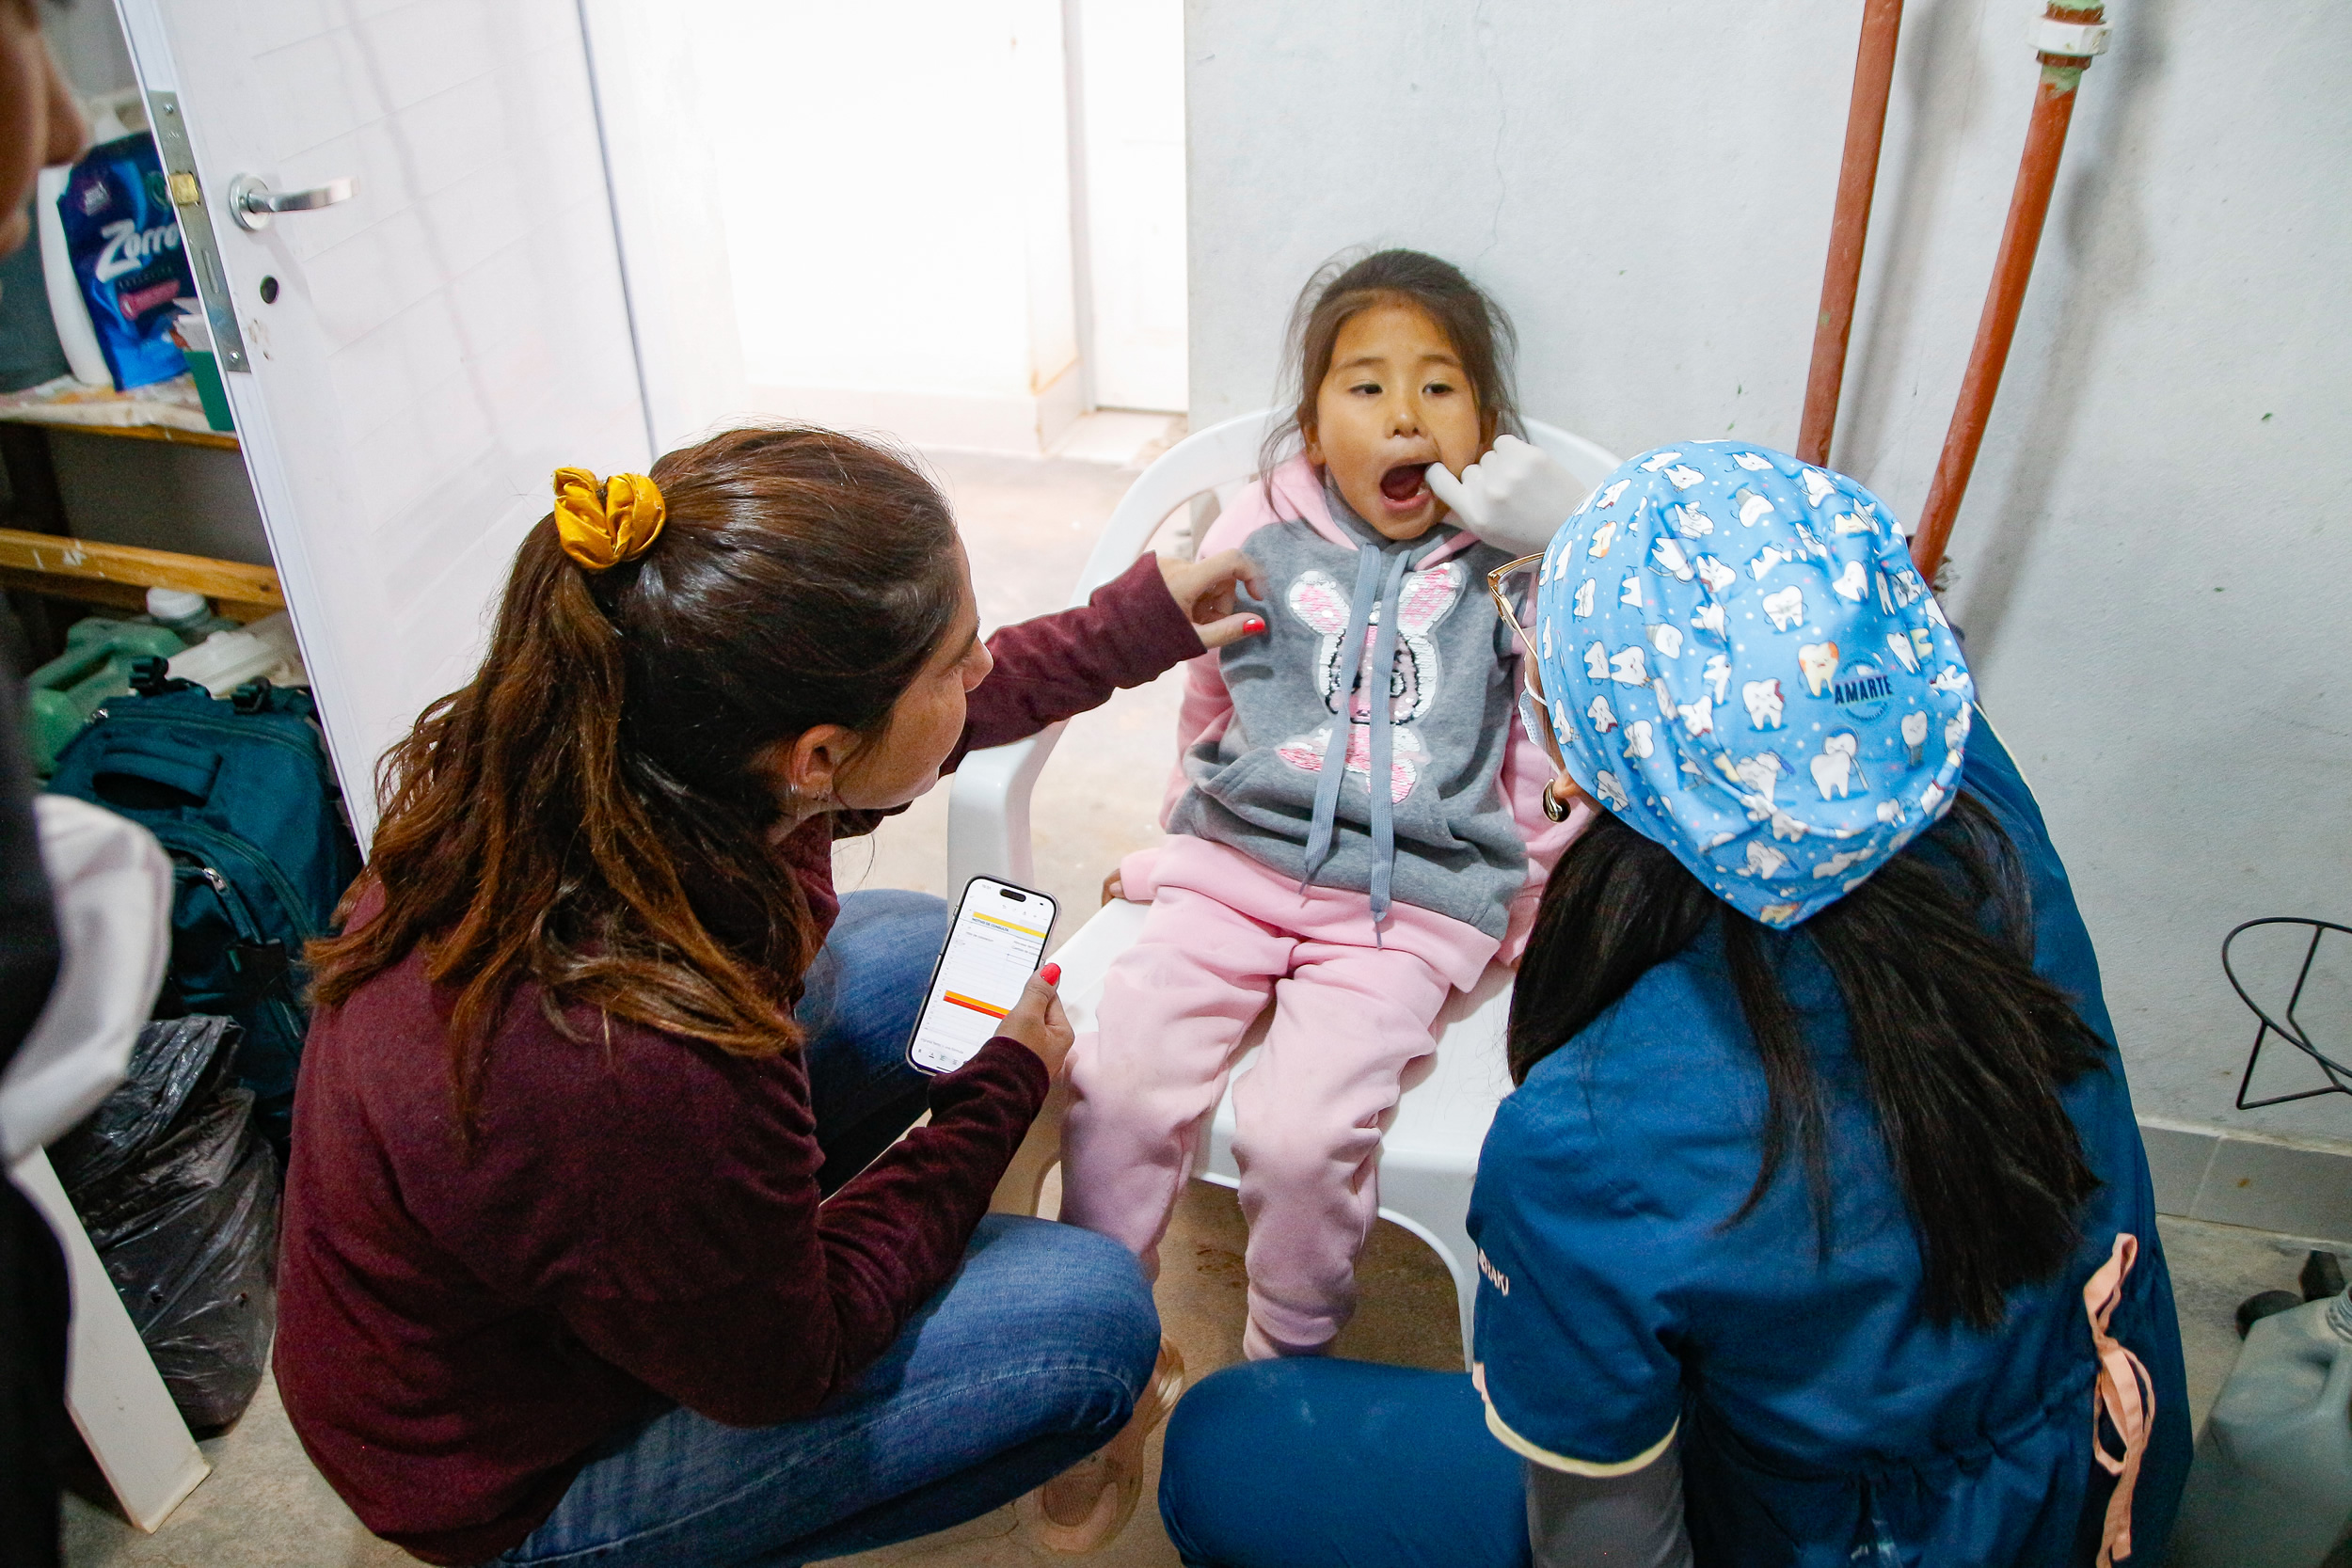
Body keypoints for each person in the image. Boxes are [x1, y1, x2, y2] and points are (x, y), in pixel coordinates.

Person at [1157, 442, 2190, 1567]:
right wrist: (1602, 531)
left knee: (1226, 1443)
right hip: (2098, 1461)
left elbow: (1612, 1549)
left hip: (1855, 1539)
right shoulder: (1981, 802)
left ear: (1578, 764)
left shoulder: (1593, 1136)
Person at [273, 425, 1264, 1566]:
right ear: (815, 757)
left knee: (919, 953)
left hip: (511, 1287)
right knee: (1087, 1323)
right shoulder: (635, 1053)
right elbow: (790, 1361)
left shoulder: (625, 746)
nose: (982, 673)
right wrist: (996, 1100)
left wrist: (1135, 622)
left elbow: (917, 732)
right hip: (499, 1472)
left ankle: (729, 1259)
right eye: (954, 662)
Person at [1058, 249, 1587, 1370]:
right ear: (1311, 426)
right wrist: (1173, 839)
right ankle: (1097, 1337)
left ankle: (1283, 1360)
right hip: (1234, 868)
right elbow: (1211, 692)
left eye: (1438, 385)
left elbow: (1545, 749)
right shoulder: (1255, 526)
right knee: (1117, 1087)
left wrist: (1525, 899)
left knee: (1301, 1138)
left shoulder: (1514, 569)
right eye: (1366, 385)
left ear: (1485, 424)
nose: (1404, 414)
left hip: (1409, 907)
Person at [0, 7, 87, 1560]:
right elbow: (768, 1353)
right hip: (491, 1483)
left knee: (895, 951)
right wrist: (941, 1152)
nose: (72, 129)